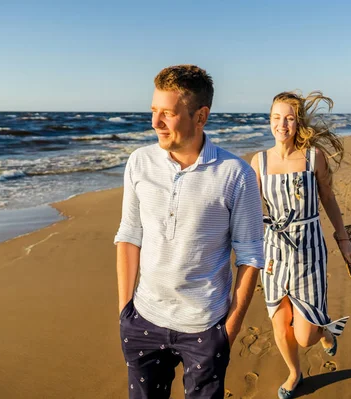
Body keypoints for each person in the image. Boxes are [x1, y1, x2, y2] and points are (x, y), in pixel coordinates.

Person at [114, 65, 265, 399]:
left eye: (168, 113)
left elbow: (251, 256)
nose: (155, 123)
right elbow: (129, 234)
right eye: (154, 111)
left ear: (201, 116)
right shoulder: (139, 162)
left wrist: (229, 330)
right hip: (143, 321)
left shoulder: (235, 175)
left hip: (205, 327)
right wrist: (126, 311)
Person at [249, 91, 351, 399]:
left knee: (305, 336)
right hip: (273, 251)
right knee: (280, 323)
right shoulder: (260, 161)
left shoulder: (313, 157)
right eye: (276, 118)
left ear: (298, 123)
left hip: (309, 250)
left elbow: (329, 199)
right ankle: (294, 374)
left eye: (290, 118)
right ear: (270, 121)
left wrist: (344, 239)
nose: (282, 125)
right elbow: (252, 211)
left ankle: (324, 330)